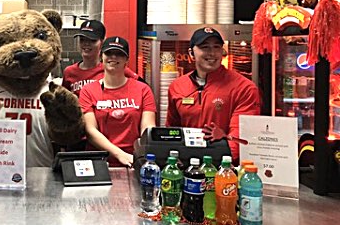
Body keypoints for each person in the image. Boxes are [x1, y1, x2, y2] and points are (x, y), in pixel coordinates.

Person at [166, 27, 261, 163]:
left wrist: (217, 162)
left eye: (216, 47)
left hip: (224, 169)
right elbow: (172, 131)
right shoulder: (177, 86)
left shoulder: (244, 88)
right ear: (191, 53)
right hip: (186, 167)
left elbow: (240, 139)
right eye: (205, 47)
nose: (212, 53)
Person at [79, 36, 157, 167]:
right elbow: (90, 131)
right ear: (101, 56)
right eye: (109, 53)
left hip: (134, 159)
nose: (113, 57)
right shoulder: (88, 91)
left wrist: (142, 157)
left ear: (127, 60)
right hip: (99, 162)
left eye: (119, 54)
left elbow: (148, 129)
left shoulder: (143, 89)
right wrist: (119, 154)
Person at [62, 20, 139, 97]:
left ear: (102, 42)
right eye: (82, 40)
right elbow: (62, 101)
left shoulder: (112, 68)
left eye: (92, 40)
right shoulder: (69, 72)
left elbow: (141, 86)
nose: (86, 44)